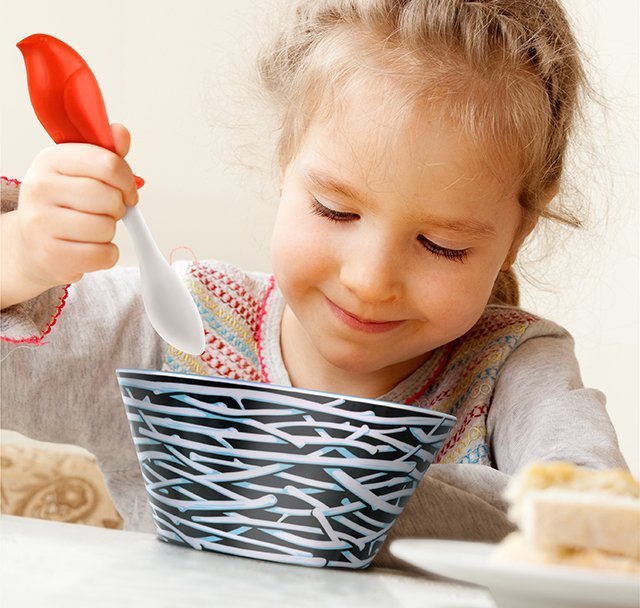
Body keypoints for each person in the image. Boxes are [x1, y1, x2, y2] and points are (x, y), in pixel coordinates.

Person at [0, 0, 628, 570]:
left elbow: (596, 529)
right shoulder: (178, 327)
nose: (370, 280)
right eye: (335, 210)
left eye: (443, 246)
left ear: (518, 232)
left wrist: (334, 483)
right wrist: (23, 253)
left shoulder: (513, 366)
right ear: (285, 164)